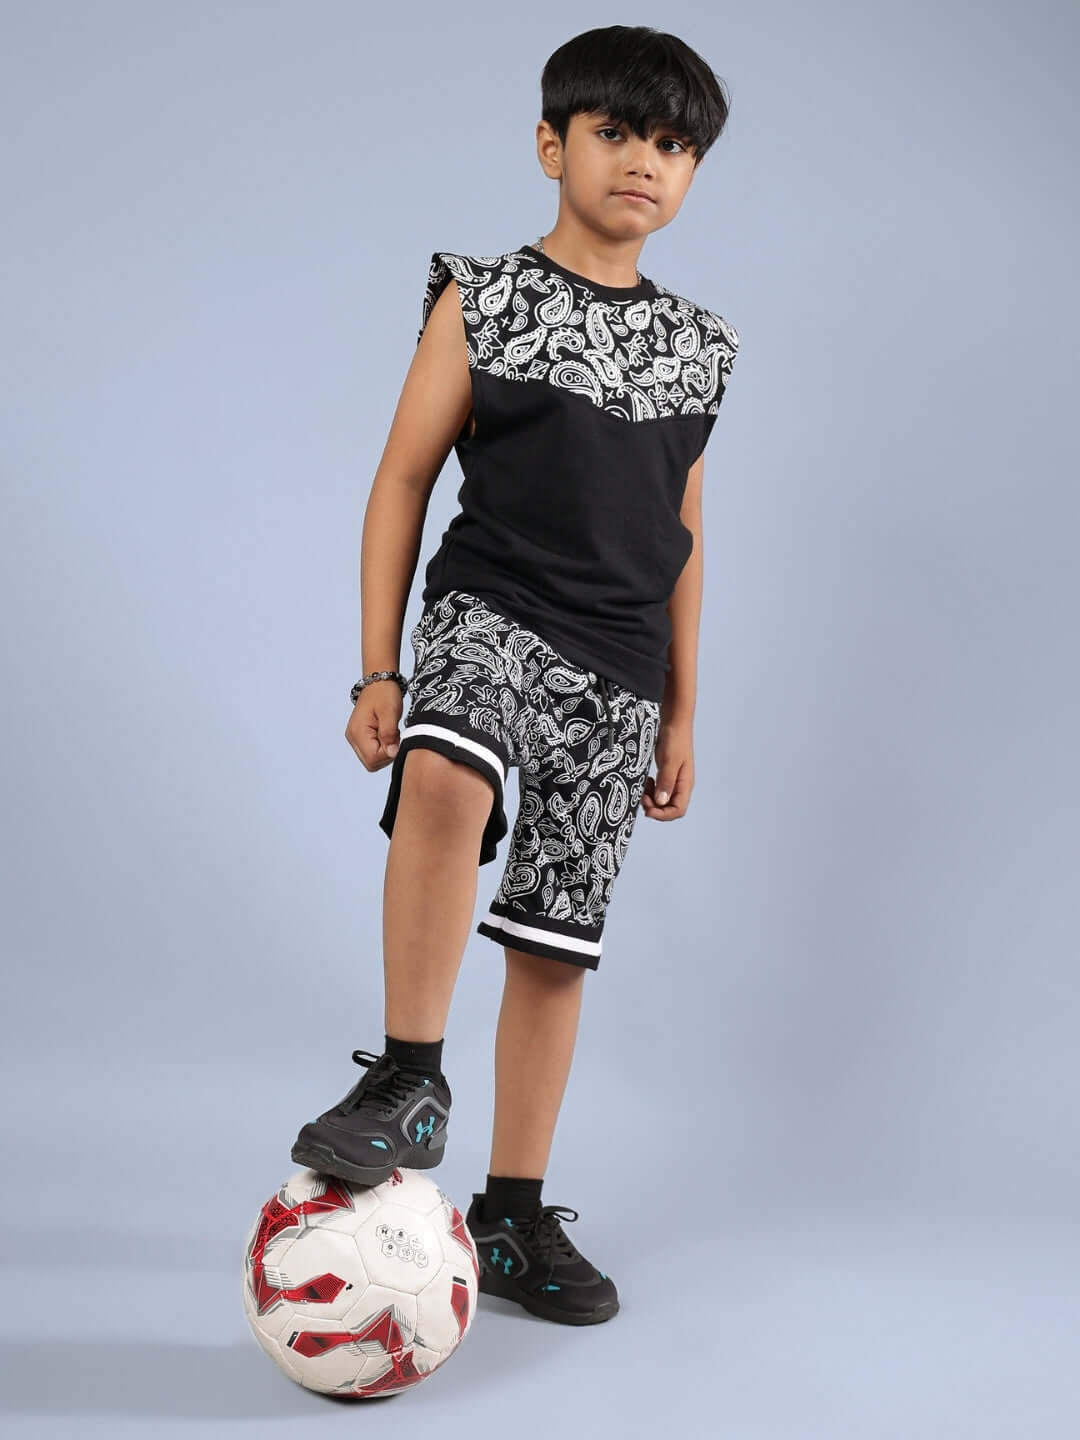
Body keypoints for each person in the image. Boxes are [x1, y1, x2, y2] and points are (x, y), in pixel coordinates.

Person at [291, 23, 739, 1326]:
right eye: (615, 132)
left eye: (672, 144)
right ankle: (409, 1076)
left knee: (554, 943)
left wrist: (682, 708)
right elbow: (402, 480)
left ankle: (514, 1208)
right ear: (552, 145)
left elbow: (685, 535)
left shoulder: (701, 348)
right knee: (443, 782)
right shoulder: (481, 295)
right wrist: (378, 666)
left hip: (619, 667)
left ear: (693, 172)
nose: (643, 161)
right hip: (494, 612)